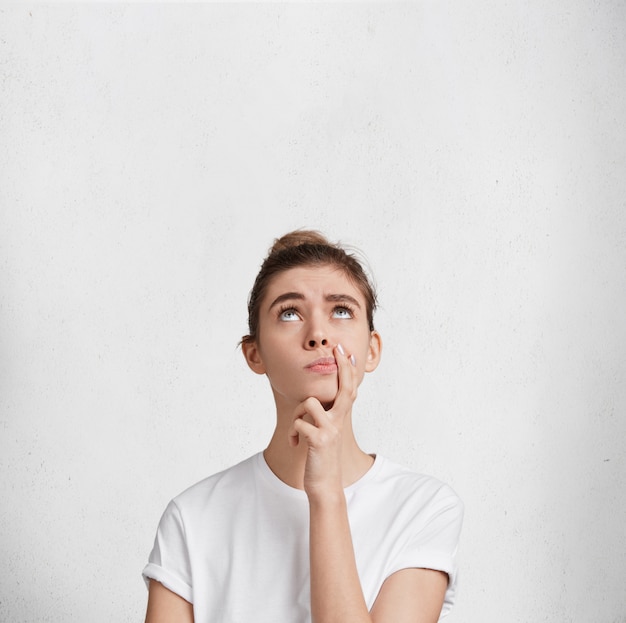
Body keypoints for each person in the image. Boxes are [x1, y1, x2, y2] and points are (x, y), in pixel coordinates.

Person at [143, 230, 463, 623]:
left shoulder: (423, 508)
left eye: (341, 310)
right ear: (254, 353)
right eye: (289, 313)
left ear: (372, 349)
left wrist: (326, 492)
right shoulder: (192, 519)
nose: (318, 334)